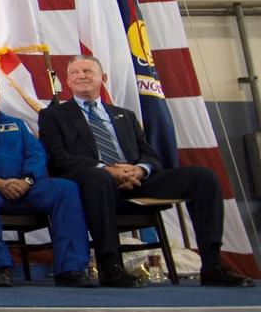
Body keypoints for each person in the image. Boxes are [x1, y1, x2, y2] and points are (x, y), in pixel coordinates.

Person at [38, 54, 253, 287]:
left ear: (103, 78)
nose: (81, 76)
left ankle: (212, 265)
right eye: (74, 73)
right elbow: (59, 158)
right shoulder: (53, 115)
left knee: (203, 177)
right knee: (98, 177)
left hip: (137, 181)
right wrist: (109, 170)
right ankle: (111, 266)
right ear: (68, 82)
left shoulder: (125, 116)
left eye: (87, 71)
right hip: (93, 184)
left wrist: (140, 170)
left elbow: (150, 154)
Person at [0, 72, 92, 287]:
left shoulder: (18, 125)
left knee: (65, 188)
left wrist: (27, 180)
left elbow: (37, 154)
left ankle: (71, 268)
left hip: (28, 188)